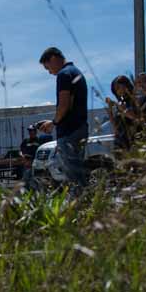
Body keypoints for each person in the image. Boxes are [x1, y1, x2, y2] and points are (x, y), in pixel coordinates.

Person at [38, 47, 88, 192]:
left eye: (48, 68)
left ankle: (79, 208)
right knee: (78, 172)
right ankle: (85, 206)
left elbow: (64, 104)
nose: (50, 72)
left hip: (69, 131)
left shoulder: (64, 74)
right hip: (79, 127)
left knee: (73, 176)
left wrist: (53, 123)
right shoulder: (75, 72)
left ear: (53, 58)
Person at [106, 74, 139, 150]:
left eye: (118, 87)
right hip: (120, 140)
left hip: (131, 139)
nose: (117, 91)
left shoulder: (133, 100)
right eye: (115, 89)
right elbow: (115, 126)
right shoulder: (121, 102)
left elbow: (135, 118)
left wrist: (122, 109)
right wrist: (110, 109)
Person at [19, 123, 44, 189]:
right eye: (29, 131)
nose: (31, 132)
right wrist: (22, 156)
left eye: (32, 131)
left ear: (35, 131)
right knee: (25, 179)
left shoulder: (39, 140)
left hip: (36, 163)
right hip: (27, 163)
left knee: (35, 180)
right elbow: (20, 150)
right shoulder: (25, 141)